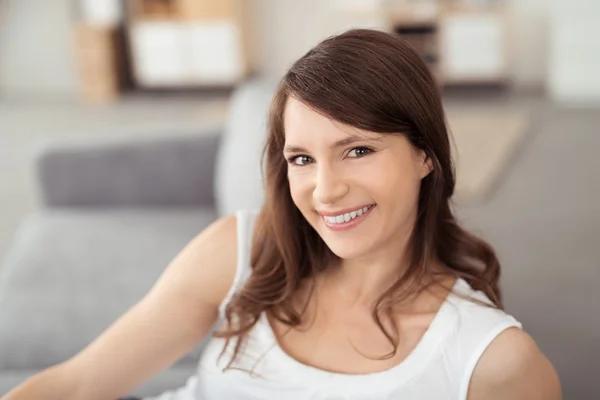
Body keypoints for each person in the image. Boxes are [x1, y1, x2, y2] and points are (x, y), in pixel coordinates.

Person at [2, 28, 561, 400]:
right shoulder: (241, 250)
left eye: (357, 150)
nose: (325, 190)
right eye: (302, 158)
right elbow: (76, 386)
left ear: (424, 155)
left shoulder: (491, 361)